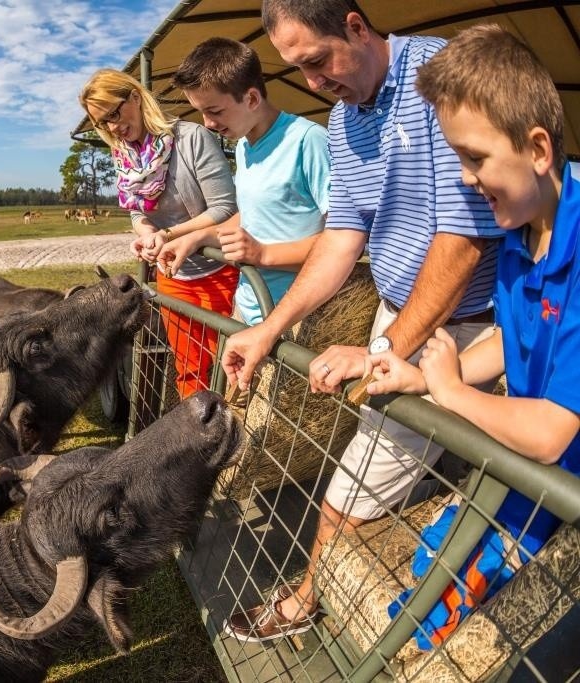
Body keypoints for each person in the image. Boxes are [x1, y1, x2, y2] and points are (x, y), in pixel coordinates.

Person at [219, 0, 504, 643]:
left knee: (352, 485)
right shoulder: (345, 121)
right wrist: (272, 327)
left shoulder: (446, 76)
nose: (315, 82)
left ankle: (308, 600)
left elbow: (464, 238)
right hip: (406, 322)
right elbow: (342, 238)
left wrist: (385, 351)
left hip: (467, 327)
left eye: (317, 61)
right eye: (299, 70)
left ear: (355, 24)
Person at [364, 23, 579, 648]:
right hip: (534, 473)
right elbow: (516, 343)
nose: (463, 178)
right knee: (439, 558)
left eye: (475, 158)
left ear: (537, 148)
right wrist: (418, 377)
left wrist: (453, 396)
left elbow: (549, 434)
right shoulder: (523, 226)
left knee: (457, 609)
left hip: (560, 482)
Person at [79, 69, 239, 399]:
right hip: (174, 276)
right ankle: (198, 441)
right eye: (102, 122)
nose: (112, 127)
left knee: (228, 369)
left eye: (113, 113)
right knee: (188, 368)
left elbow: (224, 208)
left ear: (135, 97)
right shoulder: (125, 155)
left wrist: (167, 234)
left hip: (220, 273)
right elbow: (137, 211)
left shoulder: (192, 138)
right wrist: (146, 232)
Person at [162, 36, 330, 328]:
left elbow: (342, 242)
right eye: (201, 112)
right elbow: (253, 215)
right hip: (249, 308)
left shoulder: (308, 141)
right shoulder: (243, 146)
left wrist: (263, 254)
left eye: (214, 111)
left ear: (251, 98)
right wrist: (196, 238)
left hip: (299, 319)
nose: (207, 123)